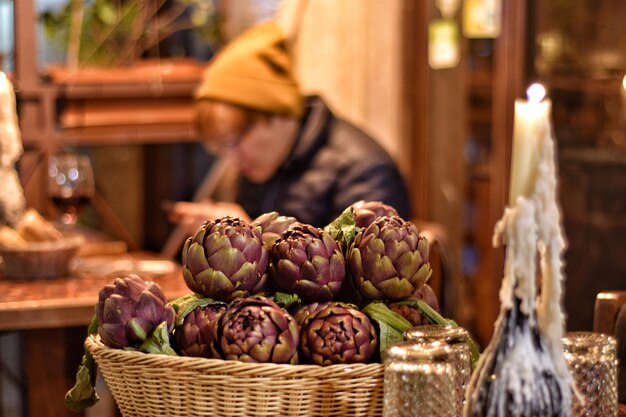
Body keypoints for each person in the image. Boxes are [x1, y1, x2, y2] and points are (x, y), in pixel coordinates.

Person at [171, 20, 410, 231]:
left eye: (234, 141)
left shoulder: (364, 172)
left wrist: (250, 235)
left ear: (278, 114)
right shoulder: (262, 166)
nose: (232, 158)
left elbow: (363, 276)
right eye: (220, 147)